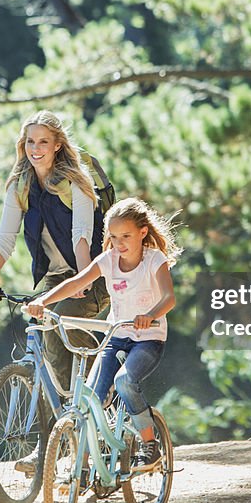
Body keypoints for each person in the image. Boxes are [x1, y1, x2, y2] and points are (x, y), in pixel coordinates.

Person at [27, 197, 181, 466]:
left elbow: (169, 298)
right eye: (113, 236)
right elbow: (77, 281)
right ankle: (82, 465)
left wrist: (150, 316)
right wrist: (43, 301)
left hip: (148, 340)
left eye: (126, 236)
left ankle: (149, 444)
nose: (119, 243)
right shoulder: (109, 260)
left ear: (143, 233)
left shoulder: (154, 260)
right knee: (90, 398)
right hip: (116, 337)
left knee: (124, 382)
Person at [0, 110, 110, 390]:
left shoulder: (75, 182)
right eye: (30, 142)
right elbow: (4, 239)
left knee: (64, 319)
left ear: (58, 145)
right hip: (56, 279)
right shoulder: (20, 186)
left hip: (93, 274)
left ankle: (102, 386)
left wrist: (82, 280)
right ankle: (65, 416)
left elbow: (82, 235)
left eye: (43, 142)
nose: (36, 149)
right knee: (48, 340)